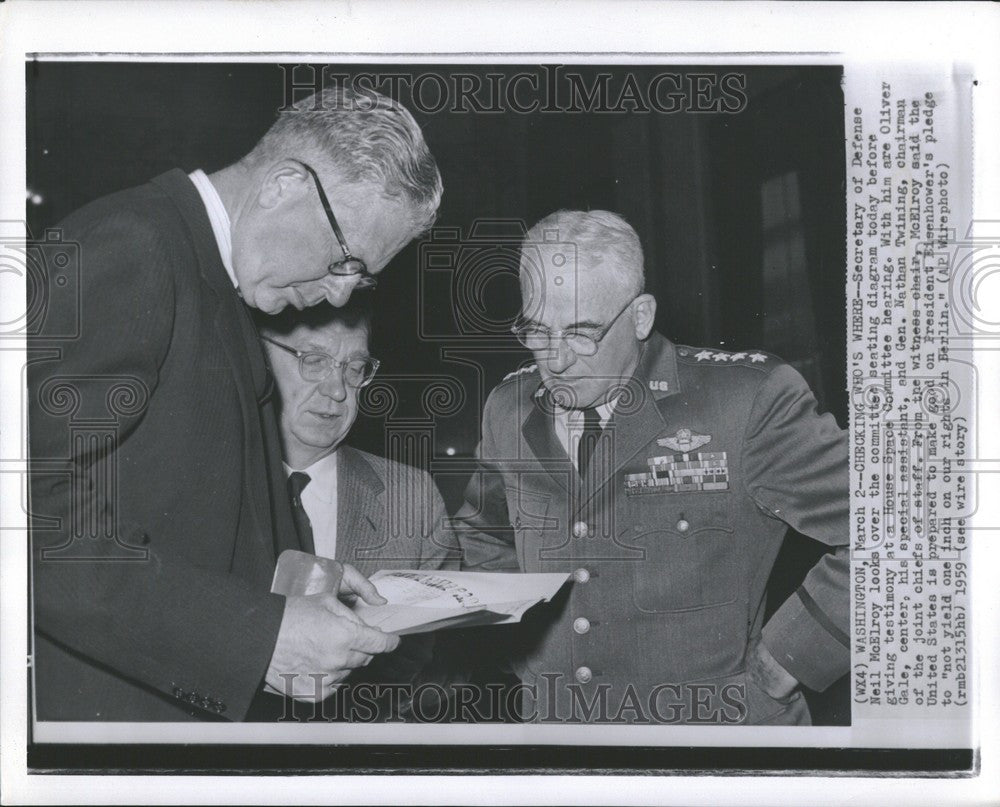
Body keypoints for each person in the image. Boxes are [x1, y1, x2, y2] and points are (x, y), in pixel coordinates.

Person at [28, 85, 442, 721]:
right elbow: (29, 515)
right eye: (344, 261)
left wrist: (307, 583)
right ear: (282, 186)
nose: (338, 297)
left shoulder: (217, 280)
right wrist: (255, 638)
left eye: (360, 278)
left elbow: (187, 507)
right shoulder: (133, 246)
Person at [454, 210, 849, 725]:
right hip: (561, 741)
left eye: (580, 333)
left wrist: (793, 654)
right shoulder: (508, 406)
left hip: (716, 741)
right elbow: (484, 537)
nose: (554, 360)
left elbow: (901, 528)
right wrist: (523, 646)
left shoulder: (746, 401)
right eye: (536, 330)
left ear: (640, 316)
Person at [254, 301, 460, 719]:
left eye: (354, 368)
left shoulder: (412, 497)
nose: (337, 390)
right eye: (314, 360)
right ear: (257, 356)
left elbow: (446, 663)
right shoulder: (202, 486)